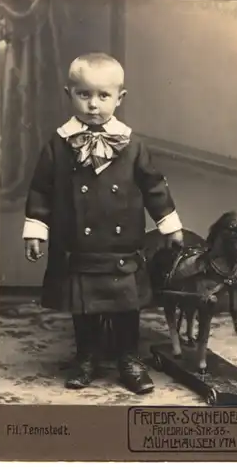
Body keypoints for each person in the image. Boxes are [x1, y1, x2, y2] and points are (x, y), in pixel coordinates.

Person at [23, 52, 184, 395]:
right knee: (84, 308)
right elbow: (41, 189)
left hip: (122, 247)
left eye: (103, 96)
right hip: (78, 247)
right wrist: (37, 230)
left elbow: (154, 186)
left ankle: (129, 358)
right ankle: (86, 357)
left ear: (120, 98)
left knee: (126, 306)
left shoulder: (132, 144)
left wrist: (169, 224)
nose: (93, 105)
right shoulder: (58, 143)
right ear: (69, 94)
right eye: (84, 94)